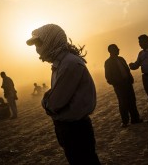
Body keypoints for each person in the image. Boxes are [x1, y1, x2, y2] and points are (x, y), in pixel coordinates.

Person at [26, 24, 100, 165]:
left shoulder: (69, 64)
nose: (37, 50)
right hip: (69, 127)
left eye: (39, 43)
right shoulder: (61, 64)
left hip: (75, 129)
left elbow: (54, 103)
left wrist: (46, 101)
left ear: (51, 40)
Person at [104, 44, 143, 127]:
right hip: (119, 85)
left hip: (127, 83)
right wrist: (116, 83)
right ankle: (125, 121)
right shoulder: (108, 62)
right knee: (123, 103)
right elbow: (108, 76)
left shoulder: (121, 59)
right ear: (112, 51)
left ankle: (135, 119)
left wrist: (130, 79)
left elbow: (127, 70)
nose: (118, 50)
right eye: (117, 49)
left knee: (132, 100)